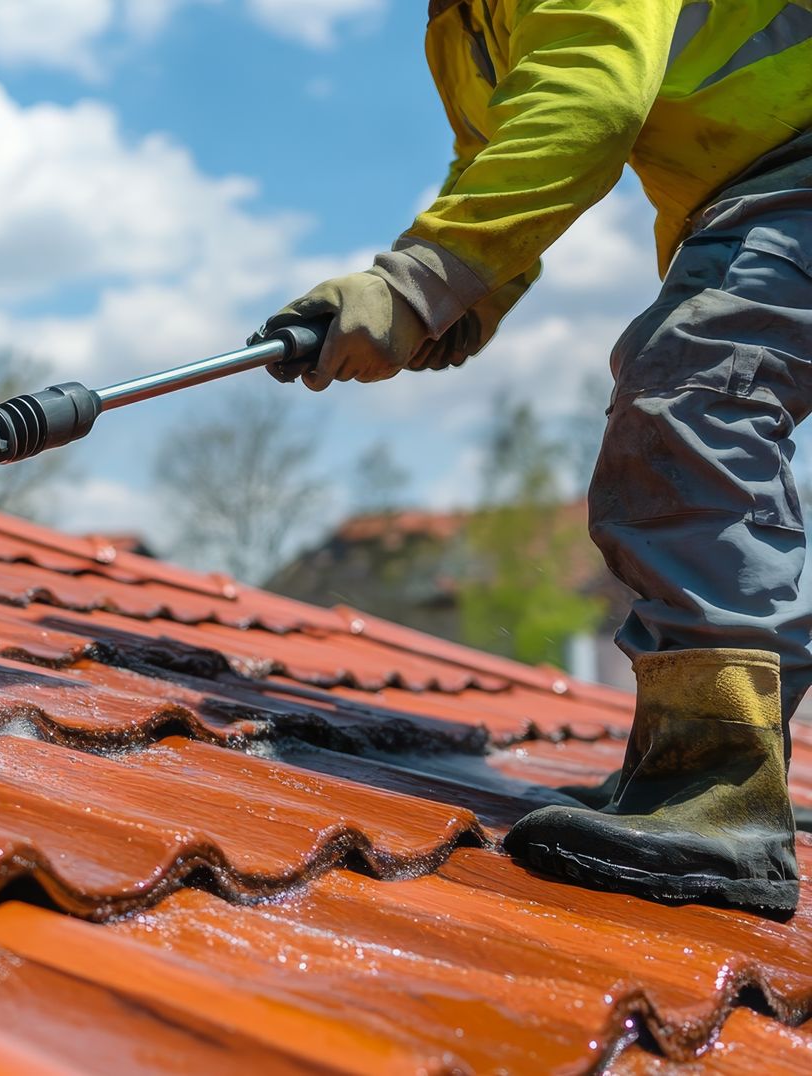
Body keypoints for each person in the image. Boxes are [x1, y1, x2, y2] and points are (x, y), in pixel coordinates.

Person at [256, 0, 812, 917]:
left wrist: (418, 284)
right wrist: (461, 301)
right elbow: (503, 149)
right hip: (756, 187)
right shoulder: (459, 27)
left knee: (692, 388)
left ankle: (722, 794)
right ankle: (689, 761)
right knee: (691, 383)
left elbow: (590, 103)